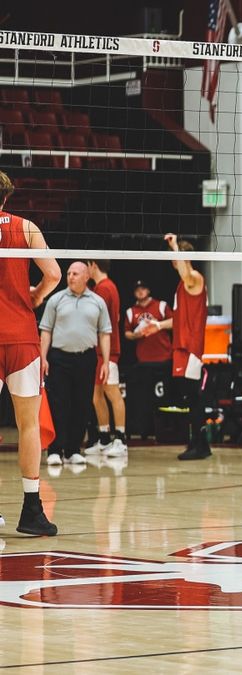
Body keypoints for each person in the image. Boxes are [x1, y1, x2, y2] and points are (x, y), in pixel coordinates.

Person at [0, 170, 61, 536]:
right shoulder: (26, 227)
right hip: (22, 336)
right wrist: (34, 298)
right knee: (28, 427)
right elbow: (53, 274)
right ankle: (31, 511)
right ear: (7, 196)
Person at [40, 262, 111, 467]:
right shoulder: (56, 299)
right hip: (60, 359)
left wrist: (105, 362)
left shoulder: (97, 301)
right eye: (69, 273)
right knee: (59, 404)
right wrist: (43, 358)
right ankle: (55, 450)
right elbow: (46, 330)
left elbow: (105, 333)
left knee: (81, 405)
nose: (70, 276)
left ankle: (72, 450)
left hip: (86, 358)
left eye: (75, 273)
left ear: (87, 276)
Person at [162, 234, 210, 461]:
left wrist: (174, 246)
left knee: (194, 397)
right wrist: (157, 326)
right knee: (189, 397)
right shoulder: (182, 284)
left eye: (175, 256)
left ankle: (201, 445)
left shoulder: (195, 278)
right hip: (180, 346)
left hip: (191, 347)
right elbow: (178, 318)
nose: (173, 260)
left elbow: (184, 271)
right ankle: (197, 443)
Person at [83, 259, 128, 458]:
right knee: (96, 395)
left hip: (108, 351)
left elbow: (100, 322)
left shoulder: (105, 289)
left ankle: (120, 438)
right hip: (98, 351)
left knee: (112, 391)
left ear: (93, 265)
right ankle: (104, 438)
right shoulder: (105, 287)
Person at [124, 281, 172, 439]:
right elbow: (126, 333)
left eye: (143, 288)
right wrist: (136, 335)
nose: (140, 292)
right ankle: (145, 431)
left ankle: (166, 430)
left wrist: (158, 325)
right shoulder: (131, 311)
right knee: (144, 399)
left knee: (164, 396)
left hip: (164, 358)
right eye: (137, 289)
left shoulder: (161, 306)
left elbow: (174, 323)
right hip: (144, 361)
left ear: (149, 290)